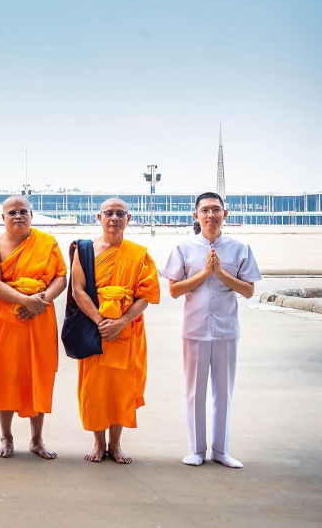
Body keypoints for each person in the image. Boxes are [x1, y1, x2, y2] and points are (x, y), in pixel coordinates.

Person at [164, 192, 260, 469]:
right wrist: (205, 273)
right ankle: (196, 449)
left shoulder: (239, 248)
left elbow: (249, 290)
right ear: (196, 216)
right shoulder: (184, 248)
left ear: (224, 215)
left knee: (224, 391)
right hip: (194, 329)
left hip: (226, 328)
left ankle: (220, 450)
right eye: (205, 210)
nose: (210, 215)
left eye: (216, 210)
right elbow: (174, 290)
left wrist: (220, 273)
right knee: (195, 391)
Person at [71, 197, 160, 464]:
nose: (114, 218)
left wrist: (120, 322)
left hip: (126, 331)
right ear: (99, 218)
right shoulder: (84, 250)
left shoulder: (138, 253)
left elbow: (146, 294)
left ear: (128, 219)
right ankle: (99, 444)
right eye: (108, 213)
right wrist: (101, 322)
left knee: (121, 388)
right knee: (96, 389)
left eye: (120, 213)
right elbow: (78, 290)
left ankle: (116, 445)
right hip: (94, 329)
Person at [0, 195, 66, 460]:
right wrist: (24, 301)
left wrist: (41, 300)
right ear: (3, 217)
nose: (18, 216)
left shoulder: (48, 243)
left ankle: (37, 439)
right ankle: (6, 438)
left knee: (38, 373)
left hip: (39, 315)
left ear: (32, 215)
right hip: (5, 319)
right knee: (5, 374)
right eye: (12, 212)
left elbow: (60, 277)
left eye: (23, 211)